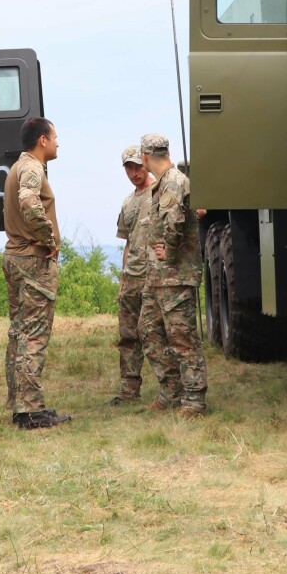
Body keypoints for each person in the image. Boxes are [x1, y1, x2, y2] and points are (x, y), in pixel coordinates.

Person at [2, 116, 71, 430]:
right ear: (42, 139)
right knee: (34, 335)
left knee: (18, 332)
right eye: (55, 136)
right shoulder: (31, 168)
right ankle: (30, 410)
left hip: (15, 257)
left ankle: (18, 403)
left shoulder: (17, 168)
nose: (58, 142)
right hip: (32, 261)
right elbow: (29, 203)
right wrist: (49, 239)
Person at [137, 132, 208, 416]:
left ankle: (193, 399)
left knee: (182, 337)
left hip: (175, 275)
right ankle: (172, 389)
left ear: (144, 157)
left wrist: (168, 248)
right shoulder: (166, 182)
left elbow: (174, 220)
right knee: (149, 330)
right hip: (160, 276)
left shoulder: (173, 182)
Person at [111, 145, 153, 405]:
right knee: (128, 336)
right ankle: (129, 390)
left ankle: (171, 388)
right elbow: (127, 242)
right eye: (129, 168)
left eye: (138, 166)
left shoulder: (160, 192)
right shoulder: (128, 202)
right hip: (132, 277)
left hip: (155, 277)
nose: (134, 172)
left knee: (156, 335)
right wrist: (124, 276)